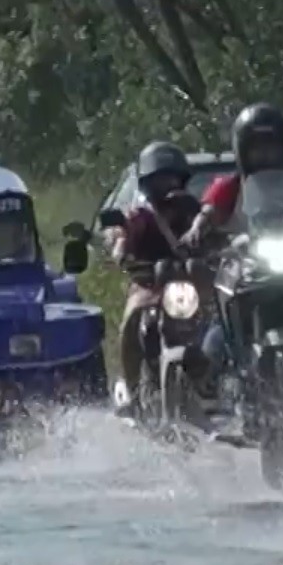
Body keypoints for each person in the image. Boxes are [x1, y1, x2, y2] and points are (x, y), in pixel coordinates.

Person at [109, 140, 200, 409]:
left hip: (185, 284)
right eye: (160, 179)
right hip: (147, 284)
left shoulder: (192, 210)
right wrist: (121, 252)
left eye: (172, 178)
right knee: (130, 323)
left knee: (216, 318)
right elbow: (122, 236)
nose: (167, 185)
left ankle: (220, 380)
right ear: (148, 183)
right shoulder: (140, 215)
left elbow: (210, 233)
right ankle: (133, 388)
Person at [181, 103, 283, 245]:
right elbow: (208, 214)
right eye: (257, 149)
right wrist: (196, 229)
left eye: (272, 148)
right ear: (242, 150)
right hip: (242, 260)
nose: (265, 155)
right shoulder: (230, 186)